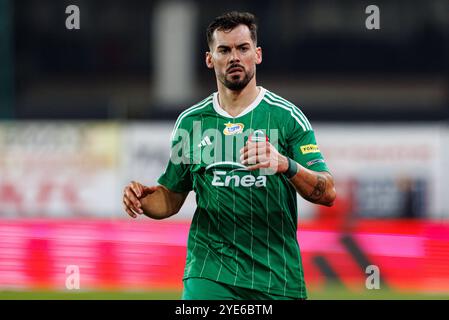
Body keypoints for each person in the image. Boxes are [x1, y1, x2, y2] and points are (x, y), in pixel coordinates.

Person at [122, 11, 336, 300]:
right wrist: (143, 199)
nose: (234, 57)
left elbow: (328, 192)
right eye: (224, 50)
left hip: (276, 276)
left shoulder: (287, 118)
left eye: (242, 48)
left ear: (257, 55)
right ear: (210, 59)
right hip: (210, 272)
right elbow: (171, 198)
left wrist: (286, 165)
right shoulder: (191, 123)